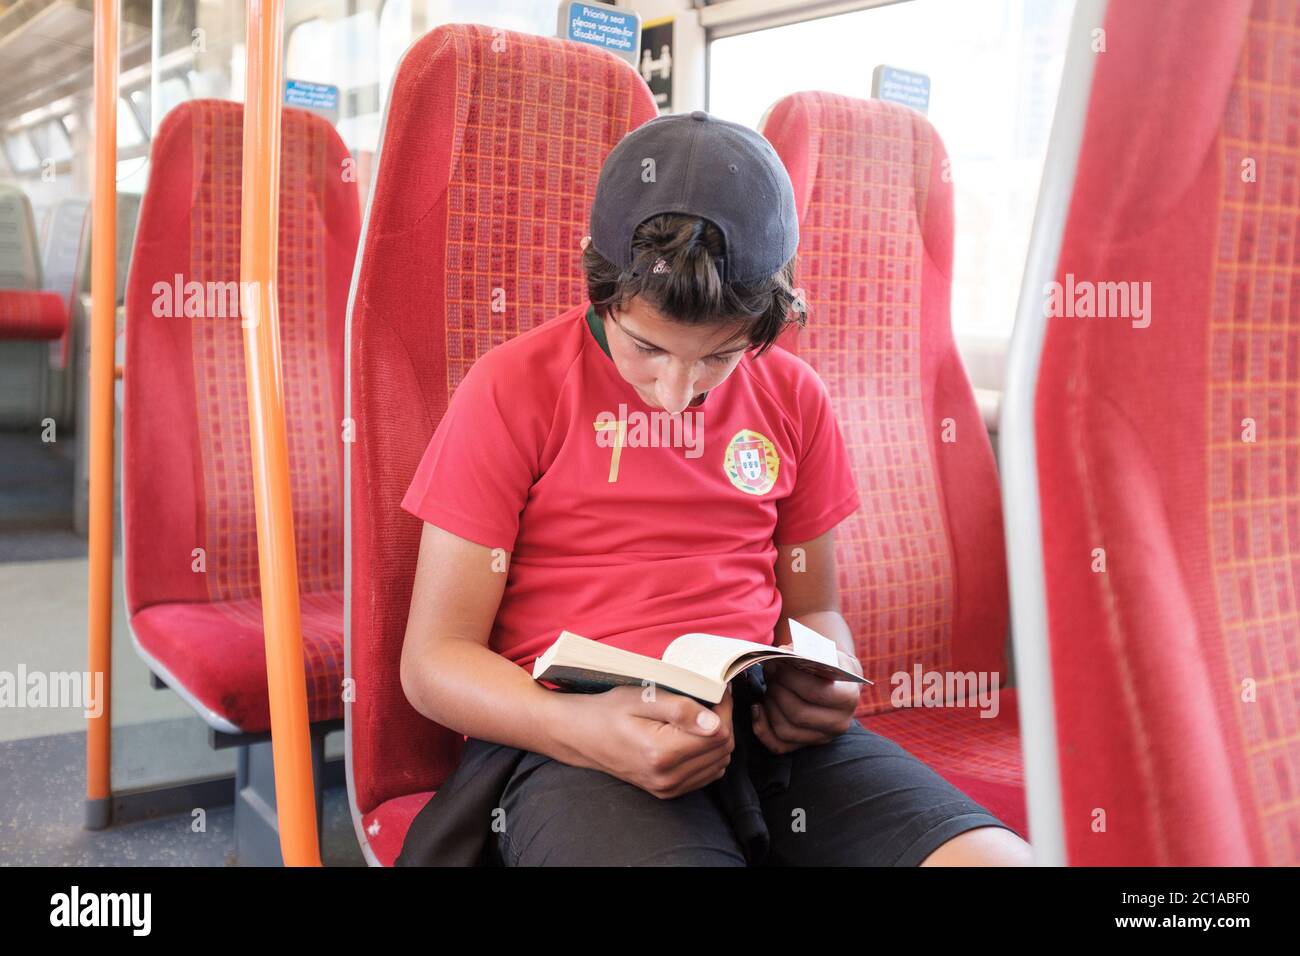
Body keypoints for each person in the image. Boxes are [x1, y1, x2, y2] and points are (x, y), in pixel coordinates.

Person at [396, 110, 1032, 866]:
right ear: (596, 282)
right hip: (572, 737)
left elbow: (815, 609)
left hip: (758, 728)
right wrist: (580, 730)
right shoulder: (512, 389)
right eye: (647, 349)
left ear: (767, 322)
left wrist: (824, 682)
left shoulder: (794, 399)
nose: (674, 393)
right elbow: (433, 662)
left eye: (720, 357)